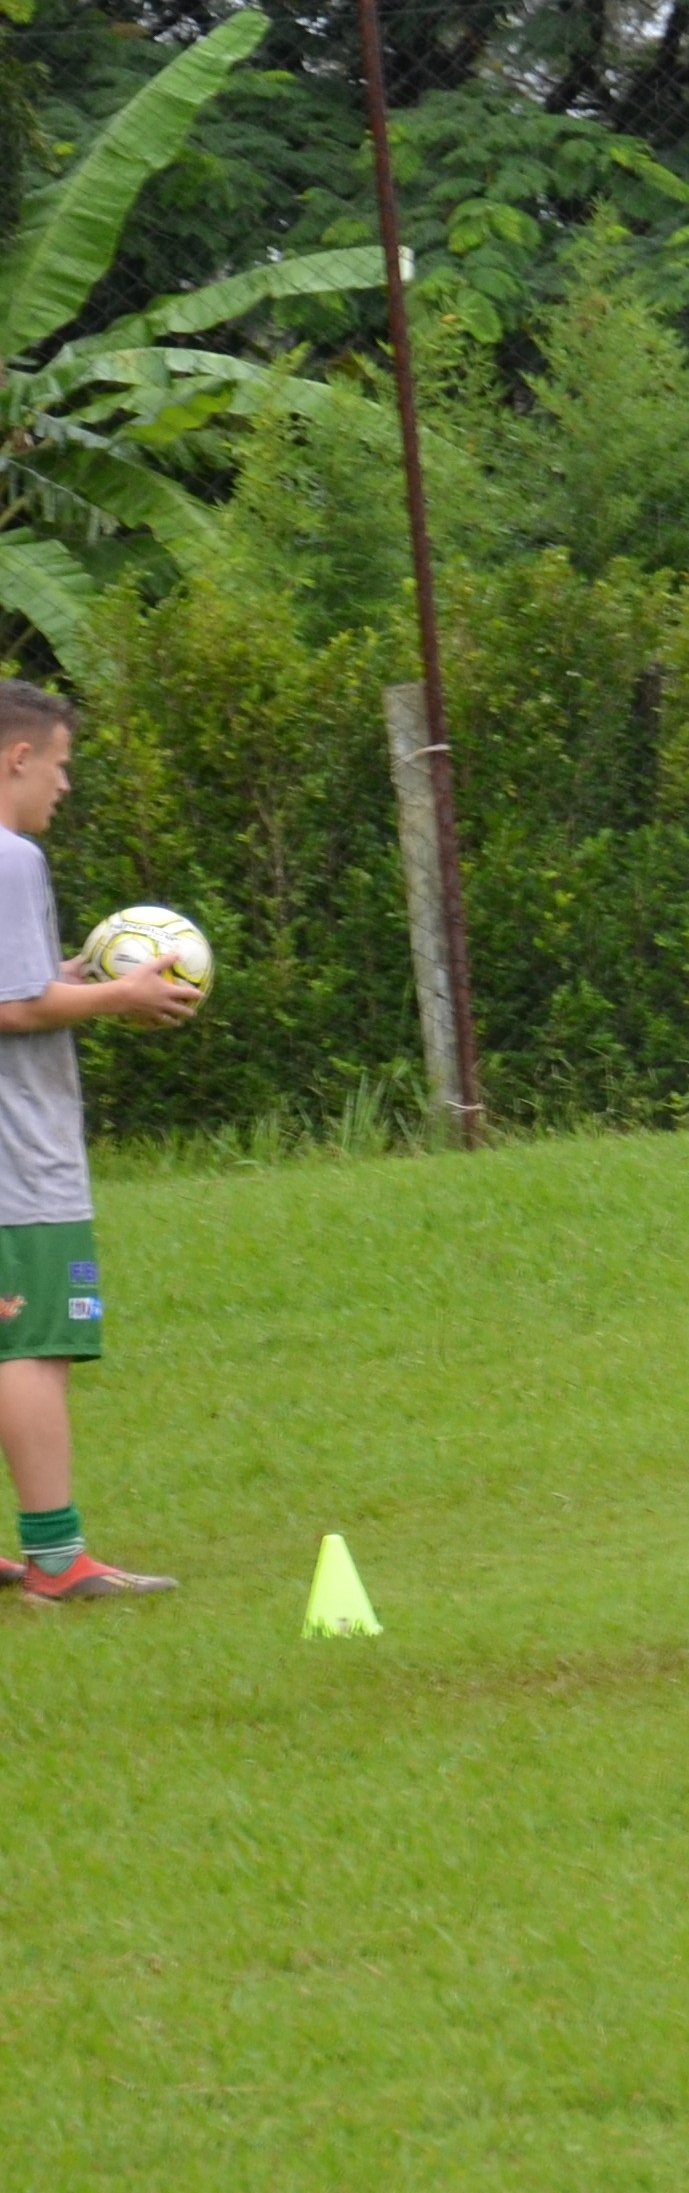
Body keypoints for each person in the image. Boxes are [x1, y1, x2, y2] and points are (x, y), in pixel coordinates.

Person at [0, 685, 201, 1604]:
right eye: (63, 762)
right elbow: (14, 1009)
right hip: (18, 1160)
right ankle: (56, 1560)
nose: (67, 784)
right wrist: (120, 998)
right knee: (32, 1347)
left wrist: (71, 977)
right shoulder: (11, 858)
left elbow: (26, 987)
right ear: (18, 759)